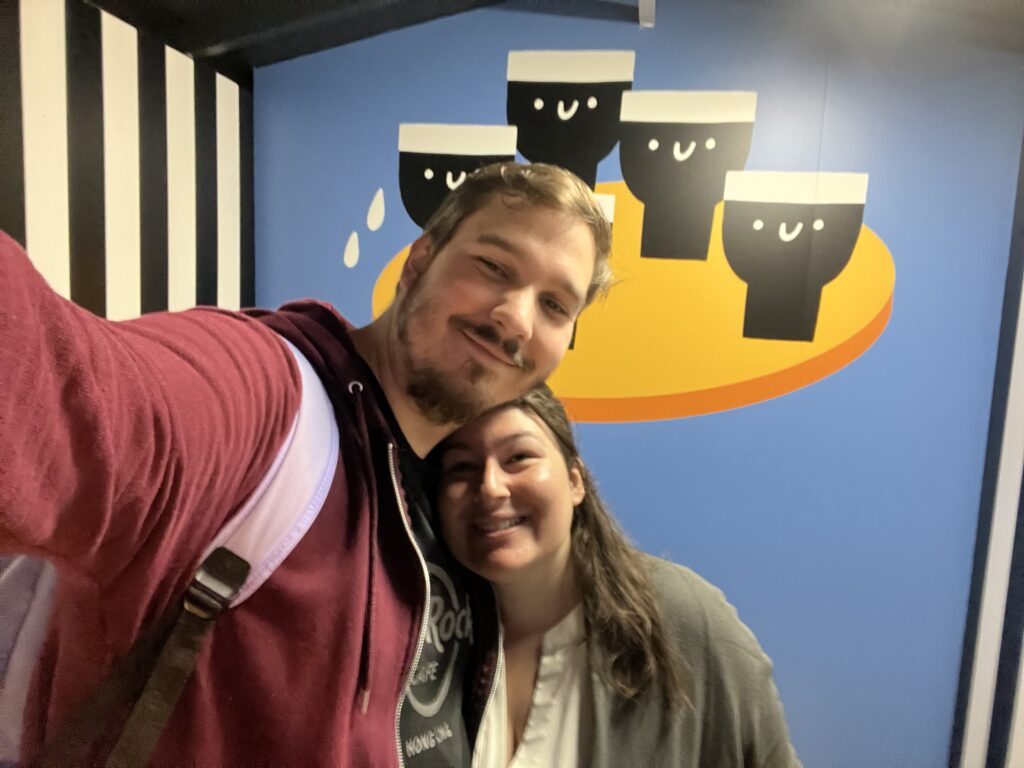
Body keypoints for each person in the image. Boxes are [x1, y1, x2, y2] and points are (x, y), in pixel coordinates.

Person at [0, 162, 612, 767]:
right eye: (494, 267)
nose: (517, 318)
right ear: (419, 261)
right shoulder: (264, 394)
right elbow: (69, 394)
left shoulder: (444, 487)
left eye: (555, 305)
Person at [435, 384, 803, 768]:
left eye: (519, 457)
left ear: (575, 482)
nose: (490, 488)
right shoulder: (426, 644)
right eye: (462, 467)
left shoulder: (682, 618)